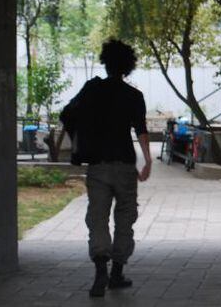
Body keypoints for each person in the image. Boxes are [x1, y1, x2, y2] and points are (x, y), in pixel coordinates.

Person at [60, 39, 151, 297]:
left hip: (97, 166)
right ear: (128, 66)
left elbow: (67, 113)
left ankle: (100, 271)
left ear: (105, 61)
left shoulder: (91, 90)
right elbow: (141, 130)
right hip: (124, 165)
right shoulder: (134, 96)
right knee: (125, 217)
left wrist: (81, 140)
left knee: (97, 218)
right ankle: (117, 272)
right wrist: (148, 161)